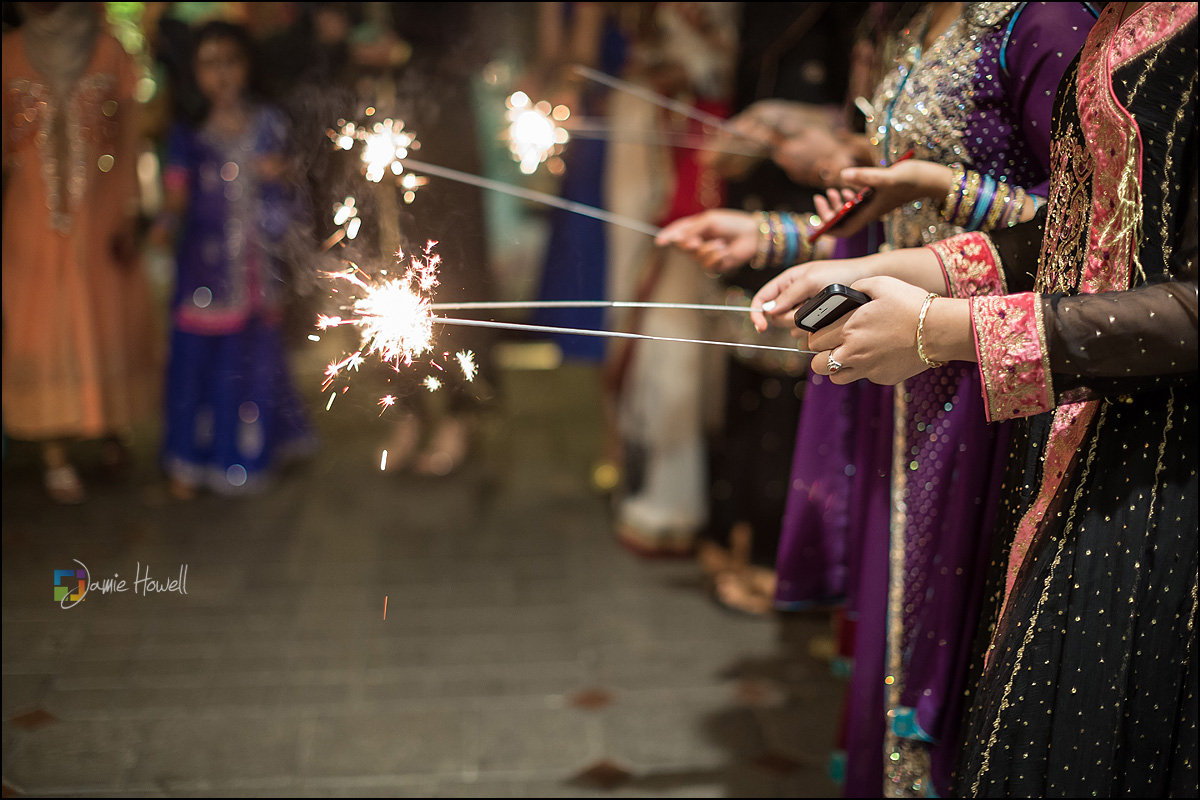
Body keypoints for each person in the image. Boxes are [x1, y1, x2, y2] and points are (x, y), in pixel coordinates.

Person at [752, 2, 1197, 794]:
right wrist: (880, 273)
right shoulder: (1120, 19)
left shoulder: (1064, 22)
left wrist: (945, 330)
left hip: (1162, 477)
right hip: (1086, 436)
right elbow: (1075, 233)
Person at [659, 3, 1097, 793]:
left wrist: (939, 188)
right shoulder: (912, 20)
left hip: (980, 374)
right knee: (896, 611)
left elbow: (1082, 228)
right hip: (894, 368)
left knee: (950, 634)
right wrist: (777, 238)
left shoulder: (1044, 21)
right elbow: (888, 219)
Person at [2, 1, 160, 504]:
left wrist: (138, 207)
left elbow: (135, 136)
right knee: (43, 327)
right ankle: (55, 453)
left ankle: (112, 429)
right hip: (31, 220)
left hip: (104, 218)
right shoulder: (8, 54)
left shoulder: (110, 50)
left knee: (106, 315)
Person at [154, 20, 314, 499]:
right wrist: (162, 227)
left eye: (231, 62)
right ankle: (191, 459)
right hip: (205, 269)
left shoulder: (268, 123)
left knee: (254, 360)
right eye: (209, 64)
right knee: (199, 362)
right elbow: (176, 194)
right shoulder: (189, 131)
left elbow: (294, 194)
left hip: (258, 266)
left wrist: (283, 178)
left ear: (247, 66)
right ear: (193, 72)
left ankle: (248, 456)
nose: (221, 75)